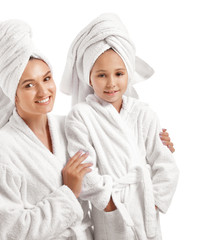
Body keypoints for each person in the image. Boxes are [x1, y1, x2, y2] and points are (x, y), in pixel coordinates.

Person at [0, 20, 93, 240]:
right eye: (29, 85)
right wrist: (69, 194)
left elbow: (113, 156)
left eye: (47, 78)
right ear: (12, 93)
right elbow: (11, 232)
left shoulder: (68, 125)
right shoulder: (1, 148)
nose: (44, 91)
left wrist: (156, 144)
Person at [60, 13, 179, 240]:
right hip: (111, 217)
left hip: (146, 212)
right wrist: (110, 206)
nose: (111, 83)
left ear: (128, 74)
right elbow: (84, 169)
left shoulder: (144, 113)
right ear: (89, 77)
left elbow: (166, 163)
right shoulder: (80, 115)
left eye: (119, 73)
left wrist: (154, 203)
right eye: (101, 75)